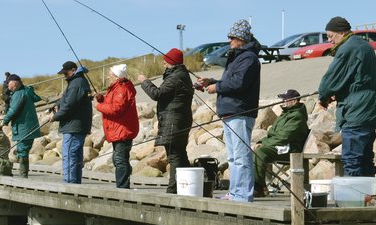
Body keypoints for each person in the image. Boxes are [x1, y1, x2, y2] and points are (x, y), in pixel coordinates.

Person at [197, 20, 262, 201]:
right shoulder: (238, 56)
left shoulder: (249, 58)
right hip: (230, 112)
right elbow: (231, 80)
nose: (229, 40)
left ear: (241, 38)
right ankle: (235, 193)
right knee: (233, 158)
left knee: (241, 157)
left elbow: (238, 83)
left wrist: (216, 88)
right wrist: (211, 81)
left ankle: (243, 195)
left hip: (240, 112)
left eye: (232, 37)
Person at [317, 16, 376, 177]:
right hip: (371, 107)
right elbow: (356, 78)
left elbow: (331, 79)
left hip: (358, 110)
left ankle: (354, 199)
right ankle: (368, 197)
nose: (329, 40)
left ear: (342, 33)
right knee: (364, 157)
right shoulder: (363, 45)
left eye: (330, 36)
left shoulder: (347, 48)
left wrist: (323, 97)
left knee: (351, 159)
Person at [140, 48, 194, 194]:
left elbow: (156, 94)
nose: (164, 65)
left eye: (166, 62)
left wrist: (144, 81)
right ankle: (188, 187)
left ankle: (173, 189)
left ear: (172, 63)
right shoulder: (181, 75)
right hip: (180, 120)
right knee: (180, 154)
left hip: (174, 121)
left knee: (174, 156)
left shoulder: (176, 77)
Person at [252, 89, 310, 197]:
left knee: (261, 151)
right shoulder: (285, 114)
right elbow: (272, 134)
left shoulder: (297, 116)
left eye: (285, 99)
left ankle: (258, 187)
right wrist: (261, 141)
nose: (282, 101)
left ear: (294, 101)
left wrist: (265, 144)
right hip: (280, 147)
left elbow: (284, 137)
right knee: (254, 149)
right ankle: (259, 185)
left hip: (291, 150)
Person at [96, 63, 139, 189]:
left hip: (122, 130)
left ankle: (122, 187)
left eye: (110, 75)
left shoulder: (121, 89)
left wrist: (98, 106)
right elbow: (113, 104)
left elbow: (116, 109)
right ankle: (124, 181)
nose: (108, 77)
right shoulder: (117, 88)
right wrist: (101, 99)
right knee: (119, 159)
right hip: (120, 129)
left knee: (119, 159)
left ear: (116, 76)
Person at [52, 61, 93, 184]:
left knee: (69, 156)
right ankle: (75, 184)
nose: (64, 75)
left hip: (73, 126)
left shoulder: (76, 83)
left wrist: (55, 117)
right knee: (75, 156)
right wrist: (56, 105)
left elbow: (70, 105)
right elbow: (68, 98)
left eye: (66, 72)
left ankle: (69, 185)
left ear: (74, 70)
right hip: (77, 126)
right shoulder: (77, 82)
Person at [1, 73, 42, 178]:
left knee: (22, 152)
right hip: (30, 127)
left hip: (23, 128)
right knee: (23, 152)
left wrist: (4, 121)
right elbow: (37, 98)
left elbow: (13, 110)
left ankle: (23, 178)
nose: (7, 86)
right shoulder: (26, 91)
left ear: (14, 83)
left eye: (8, 84)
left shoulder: (18, 94)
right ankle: (24, 176)